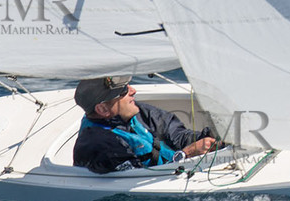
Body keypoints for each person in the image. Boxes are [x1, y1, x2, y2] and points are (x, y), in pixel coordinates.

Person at [71, 75, 221, 174]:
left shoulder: (138, 112)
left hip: (176, 170)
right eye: (123, 91)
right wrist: (186, 154)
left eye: (129, 86)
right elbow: (138, 177)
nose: (133, 91)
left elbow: (179, 136)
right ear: (102, 109)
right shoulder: (97, 145)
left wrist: (219, 136)